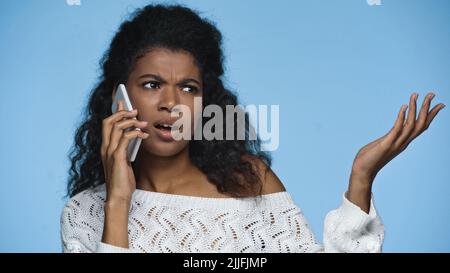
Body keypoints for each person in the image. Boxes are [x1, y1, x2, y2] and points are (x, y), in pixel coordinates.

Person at [60, 4, 445, 253]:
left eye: (189, 88)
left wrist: (361, 177)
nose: (171, 103)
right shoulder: (84, 212)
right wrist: (118, 202)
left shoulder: (249, 181)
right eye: (151, 84)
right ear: (118, 99)